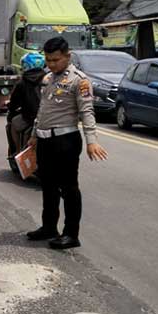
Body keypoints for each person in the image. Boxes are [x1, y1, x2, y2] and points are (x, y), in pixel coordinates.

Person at [27, 37, 108, 250]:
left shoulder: (79, 81)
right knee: (48, 187)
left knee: (69, 188)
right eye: (48, 60)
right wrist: (35, 135)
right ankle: (48, 227)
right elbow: (42, 111)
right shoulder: (47, 79)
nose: (52, 64)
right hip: (45, 140)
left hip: (65, 141)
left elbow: (87, 112)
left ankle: (71, 234)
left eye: (56, 60)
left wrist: (92, 141)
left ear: (67, 56)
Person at [7, 52, 46, 149]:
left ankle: (17, 150)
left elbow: (14, 103)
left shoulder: (22, 82)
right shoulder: (48, 78)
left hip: (29, 117)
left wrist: (10, 107)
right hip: (48, 117)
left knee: (13, 123)